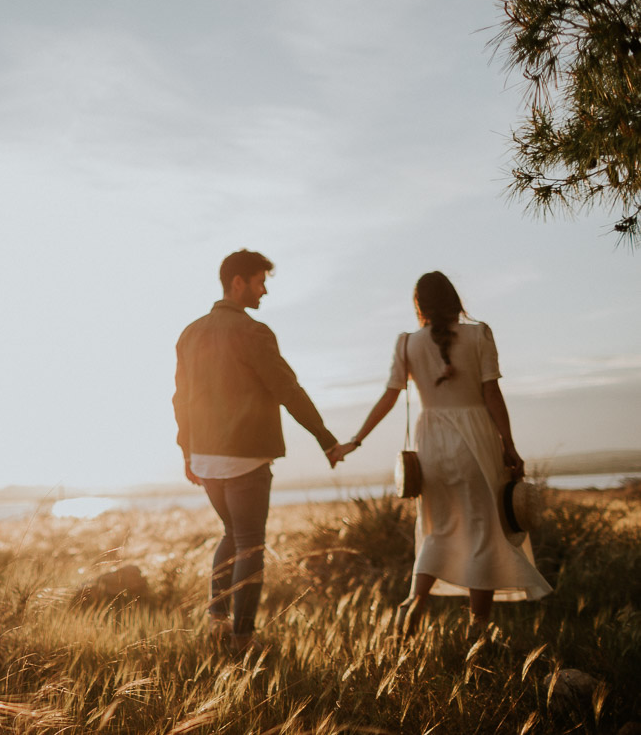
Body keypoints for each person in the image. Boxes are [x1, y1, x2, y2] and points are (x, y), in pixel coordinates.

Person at [333, 271, 551, 636]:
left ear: (419, 305)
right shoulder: (479, 333)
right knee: (483, 529)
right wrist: (509, 445)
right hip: (476, 437)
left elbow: (389, 397)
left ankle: (416, 600)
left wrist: (355, 440)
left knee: (436, 527)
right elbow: (491, 394)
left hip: (430, 441)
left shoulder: (407, 344)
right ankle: (477, 627)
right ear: (454, 299)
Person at [173, 249, 342, 656]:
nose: (264, 291)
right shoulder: (254, 332)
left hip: (205, 458)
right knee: (249, 543)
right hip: (245, 456)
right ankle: (242, 638)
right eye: (260, 281)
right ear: (238, 282)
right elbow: (287, 388)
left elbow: (180, 398)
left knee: (232, 534)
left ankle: (218, 623)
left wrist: (187, 451)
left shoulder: (190, 333)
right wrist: (326, 439)